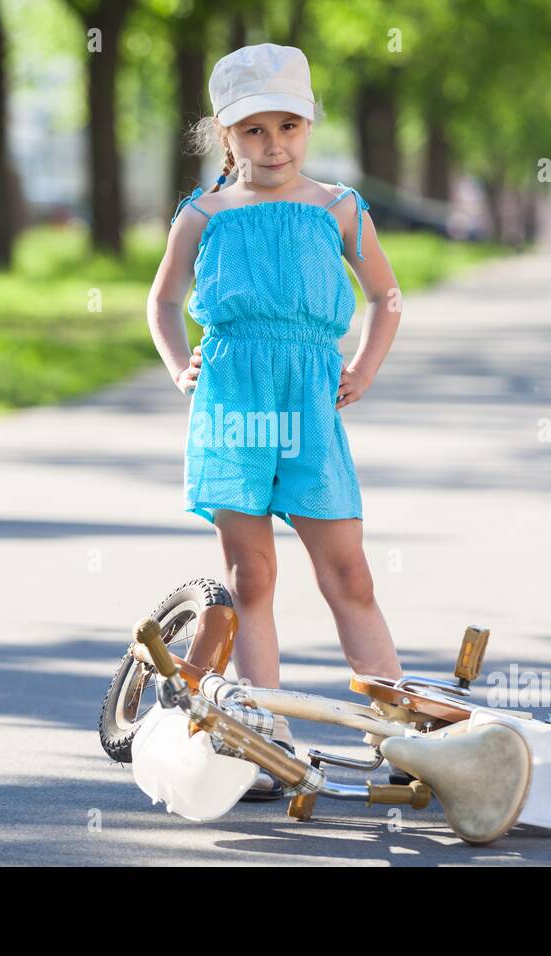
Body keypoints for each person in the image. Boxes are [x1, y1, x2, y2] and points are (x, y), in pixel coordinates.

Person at [147, 43, 404, 799]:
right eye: (254, 131)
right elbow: (162, 301)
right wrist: (177, 363)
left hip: (309, 402)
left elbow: (388, 298)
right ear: (226, 136)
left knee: (348, 572)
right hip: (232, 401)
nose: (274, 145)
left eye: (288, 126)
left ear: (309, 126)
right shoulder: (203, 214)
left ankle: (396, 735)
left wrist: (362, 367)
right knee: (250, 575)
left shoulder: (339, 207)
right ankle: (268, 735)